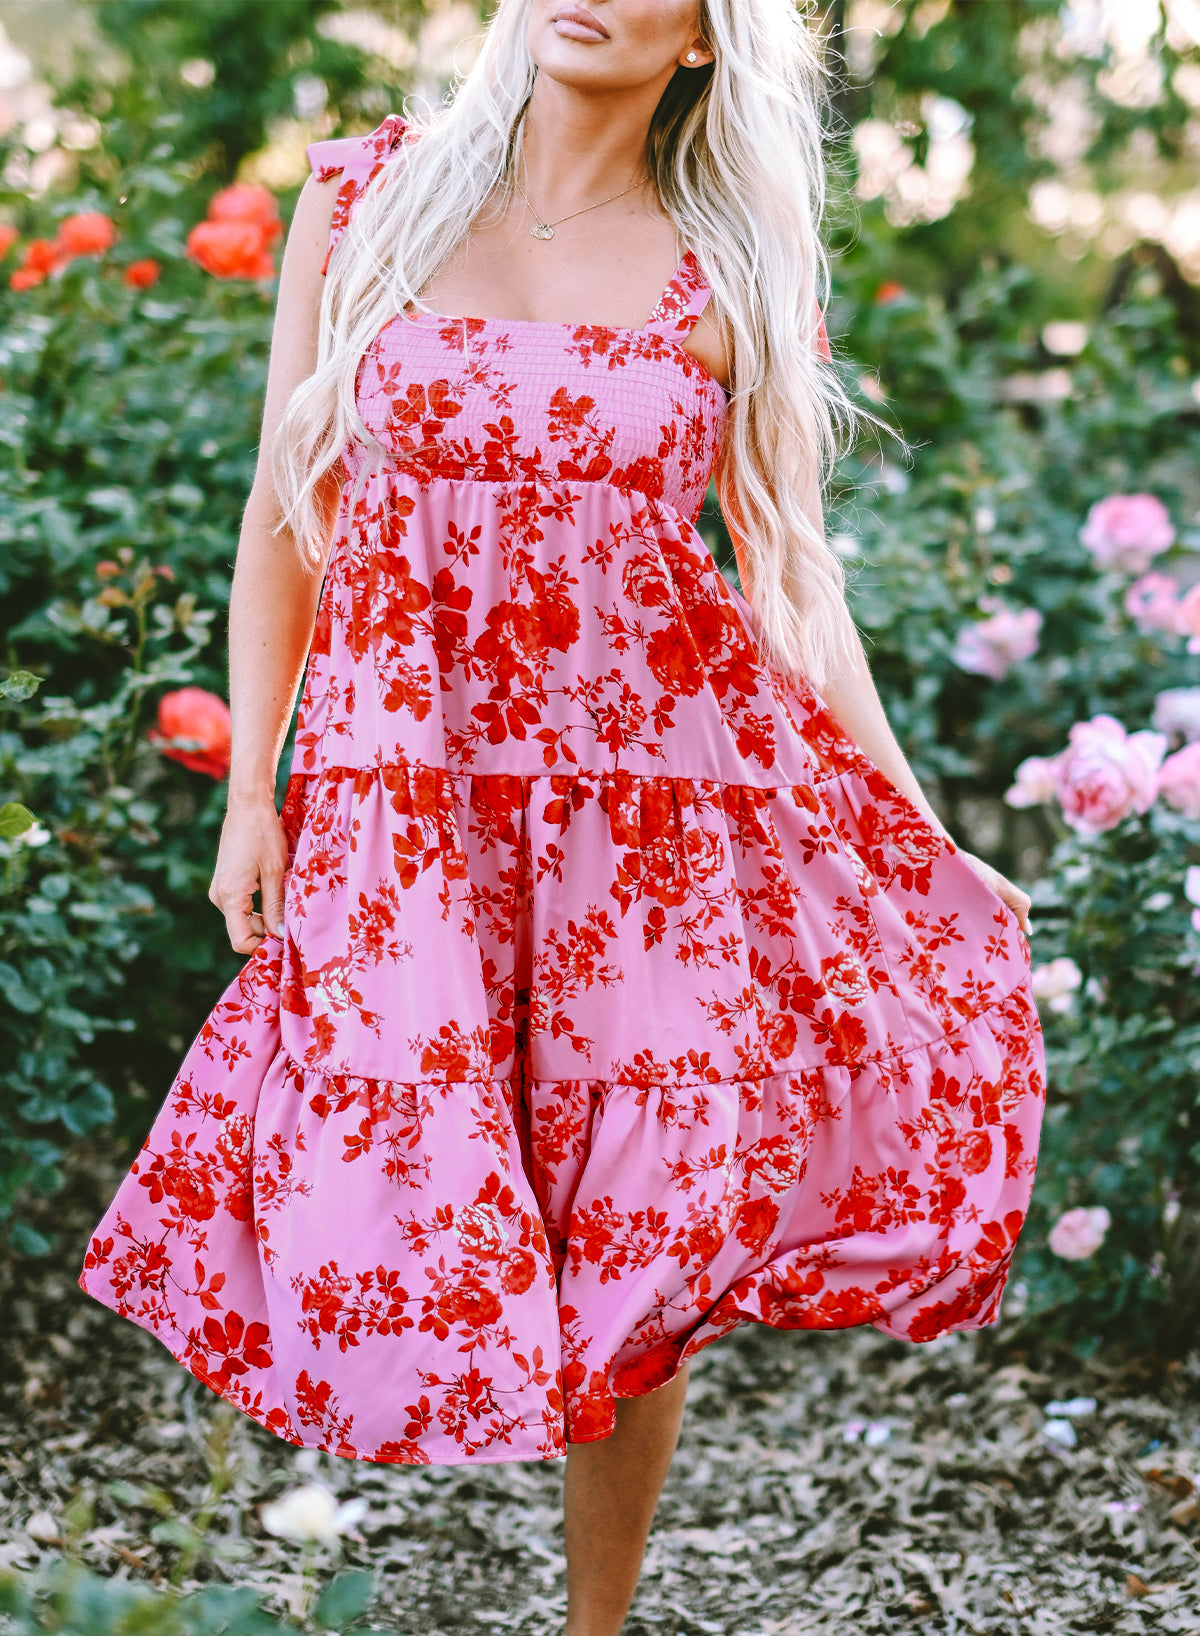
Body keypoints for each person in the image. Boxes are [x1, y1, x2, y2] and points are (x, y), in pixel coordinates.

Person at [80, 3, 1047, 1631]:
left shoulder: (728, 267)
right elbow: (283, 512)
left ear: (703, 39)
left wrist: (916, 823)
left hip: (647, 820)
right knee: (377, 1145)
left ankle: (597, 1624)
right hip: (413, 800)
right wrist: (254, 788)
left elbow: (790, 574)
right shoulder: (368, 196)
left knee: (641, 1206)